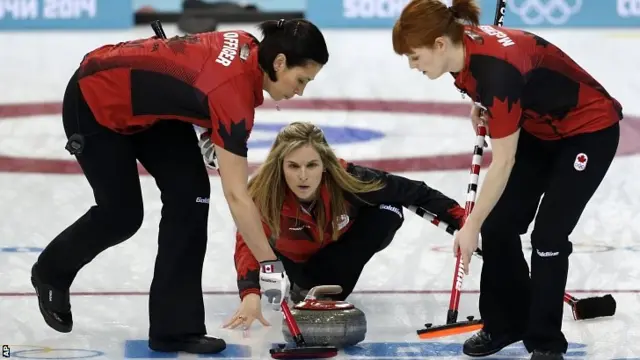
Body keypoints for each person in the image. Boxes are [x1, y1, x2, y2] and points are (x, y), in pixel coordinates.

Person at [30, 19, 329, 354]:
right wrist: (269, 265)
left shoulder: (248, 45)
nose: (300, 91)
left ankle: (174, 328)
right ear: (278, 63)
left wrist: (207, 128)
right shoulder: (233, 99)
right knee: (122, 215)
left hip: (150, 109)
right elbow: (237, 196)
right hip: (96, 99)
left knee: (192, 196)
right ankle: (51, 270)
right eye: (301, 79)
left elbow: (195, 74)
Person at [391, 1, 622, 359]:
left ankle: (545, 342)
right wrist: (484, 102)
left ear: (439, 44)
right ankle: (506, 323)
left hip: (587, 131)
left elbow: (503, 162)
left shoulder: (496, 72)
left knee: (548, 235)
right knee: (499, 226)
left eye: (414, 56)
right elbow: (497, 88)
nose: (411, 65)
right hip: (539, 127)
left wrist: (469, 225)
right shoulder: (461, 47)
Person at [218, 121, 467, 330]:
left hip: (336, 256)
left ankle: (326, 290)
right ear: (280, 166)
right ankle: (305, 287)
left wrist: (467, 223)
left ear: (325, 164)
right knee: (265, 241)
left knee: (388, 210)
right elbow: (247, 242)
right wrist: (250, 294)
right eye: (293, 166)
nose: (303, 175)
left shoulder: (348, 179)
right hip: (292, 264)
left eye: (311, 165)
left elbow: (414, 192)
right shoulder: (263, 193)